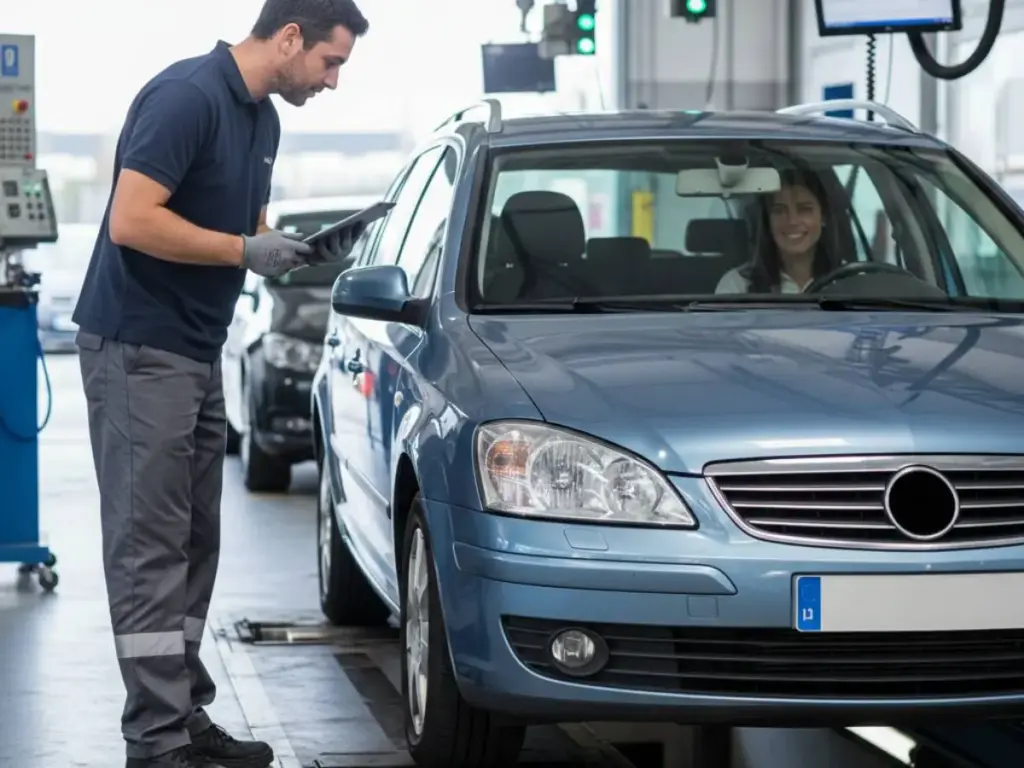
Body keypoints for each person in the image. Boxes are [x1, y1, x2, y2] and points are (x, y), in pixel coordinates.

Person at [70, 1, 369, 766]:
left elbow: (244, 231)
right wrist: (244, 249)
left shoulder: (262, 120)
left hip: (198, 351)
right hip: (140, 347)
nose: (333, 81)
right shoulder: (186, 97)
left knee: (196, 541)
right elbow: (132, 221)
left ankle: (182, 712)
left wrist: (278, 247)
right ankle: (156, 741)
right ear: (291, 36)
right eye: (330, 62)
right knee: (149, 548)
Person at [715, 170, 838, 294]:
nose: (792, 221)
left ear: (823, 217)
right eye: (779, 210)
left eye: (804, 209)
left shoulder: (849, 278)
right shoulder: (738, 285)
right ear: (768, 221)